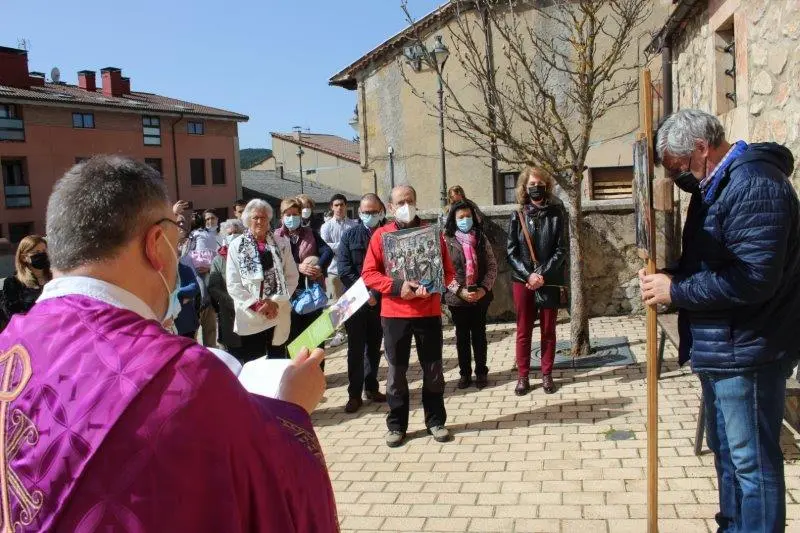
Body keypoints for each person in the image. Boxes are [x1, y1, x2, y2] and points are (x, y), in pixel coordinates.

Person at [0, 155, 337, 531]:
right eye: (176, 245)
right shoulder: (182, 375)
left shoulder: (8, 345)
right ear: (157, 244)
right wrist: (291, 410)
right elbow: (271, 488)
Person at [640, 109, 800, 533]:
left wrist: (676, 291)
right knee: (728, 454)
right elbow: (711, 261)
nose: (677, 175)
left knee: (752, 464)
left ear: (701, 148)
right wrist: (670, 276)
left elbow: (753, 279)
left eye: (678, 165)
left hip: (748, 348)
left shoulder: (754, 185)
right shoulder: (717, 185)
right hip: (723, 346)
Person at [362, 185, 457, 447]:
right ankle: (396, 425)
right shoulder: (381, 236)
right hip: (395, 314)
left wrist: (434, 285)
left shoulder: (432, 233)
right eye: (401, 202)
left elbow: (448, 271)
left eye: (410, 201)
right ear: (391, 207)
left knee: (433, 370)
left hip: (428, 311)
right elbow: (369, 274)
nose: (406, 206)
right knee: (396, 373)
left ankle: (435, 421)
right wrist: (396, 287)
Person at [507, 166, 567, 396]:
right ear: (524, 187)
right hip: (523, 280)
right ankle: (523, 376)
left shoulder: (556, 213)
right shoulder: (517, 215)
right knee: (523, 330)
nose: (536, 187)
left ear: (547, 186)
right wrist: (529, 275)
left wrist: (542, 274)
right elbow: (511, 252)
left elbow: (561, 249)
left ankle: (547, 374)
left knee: (548, 329)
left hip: (549, 279)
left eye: (540, 184)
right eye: (532, 184)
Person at [226, 199, 299, 363]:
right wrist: (258, 306)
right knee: (255, 364)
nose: (260, 221)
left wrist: (275, 302)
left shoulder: (282, 243)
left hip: (277, 311)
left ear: (269, 219)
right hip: (251, 316)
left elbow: (292, 276)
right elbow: (233, 284)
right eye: (255, 218)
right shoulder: (236, 246)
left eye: (263, 217)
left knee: (278, 362)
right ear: (247, 220)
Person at [337, 193, 388, 413]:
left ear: (381, 211)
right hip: (354, 301)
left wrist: (375, 292)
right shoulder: (349, 236)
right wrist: (365, 294)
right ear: (359, 213)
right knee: (355, 349)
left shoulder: (388, 235)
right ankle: (354, 394)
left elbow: (390, 268)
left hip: (379, 300)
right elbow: (344, 269)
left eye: (374, 212)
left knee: (374, 347)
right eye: (366, 212)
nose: (370, 215)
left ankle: (371, 387)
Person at [443, 200, 497, 390]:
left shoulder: (481, 237)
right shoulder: (447, 240)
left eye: (468, 216)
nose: (465, 220)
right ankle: (464, 373)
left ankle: (481, 371)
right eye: (461, 217)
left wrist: (483, 289)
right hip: (457, 298)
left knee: (479, 335)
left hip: (480, 296)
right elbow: (443, 271)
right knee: (462, 337)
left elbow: (492, 266)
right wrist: (459, 291)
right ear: (454, 219)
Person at [275, 197, 333, 355]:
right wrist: (298, 267)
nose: (291, 218)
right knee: (294, 339)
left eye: (295, 214)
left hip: (312, 293)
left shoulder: (310, 233)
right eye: (288, 214)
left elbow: (327, 252)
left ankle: (317, 368)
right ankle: (297, 369)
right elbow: (275, 263)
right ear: (281, 216)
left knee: (316, 339)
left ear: (300, 215)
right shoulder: (275, 237)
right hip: (289, 296)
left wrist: (319, 267)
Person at [320, 194, 357, 347]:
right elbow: (325, 248)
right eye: (336, 205)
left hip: (350, 270)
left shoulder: (354, 225)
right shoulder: (326, 226)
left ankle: (353, 330)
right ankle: (340, 332)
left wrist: (337, 247)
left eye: (342, 204)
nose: (339, 207)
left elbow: (355, 246)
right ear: (331, 207)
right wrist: (344, 246)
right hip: (333, 270)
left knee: (351, 301)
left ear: (346, 206)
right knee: (334, 303)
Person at [208, 218, 247, 361]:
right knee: (234, 356)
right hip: (230, 313)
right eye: (230, 233)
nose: (233, 235)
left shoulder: (251, 255)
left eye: (237, 232)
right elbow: (213, 287)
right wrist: (231, 300)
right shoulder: (218, 260)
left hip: (252, 311)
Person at [0, 235, 52, 331]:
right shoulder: (13, 283)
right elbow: (13, 316)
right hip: (31, 332)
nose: (42, 255)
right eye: (36, 252)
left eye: (44, 251)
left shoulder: (56, 278)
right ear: (24, 258)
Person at [188, 209, 223, 348]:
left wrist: (209, 267)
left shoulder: (222, 235)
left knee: (210, 326)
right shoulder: (195, 235)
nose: (210, 221)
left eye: (212, 218)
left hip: (212, 281)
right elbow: (188, 256)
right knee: (193, 325)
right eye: (207, 219)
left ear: (218, 219)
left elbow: (223, 260)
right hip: (195, 284)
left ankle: (212, 352)